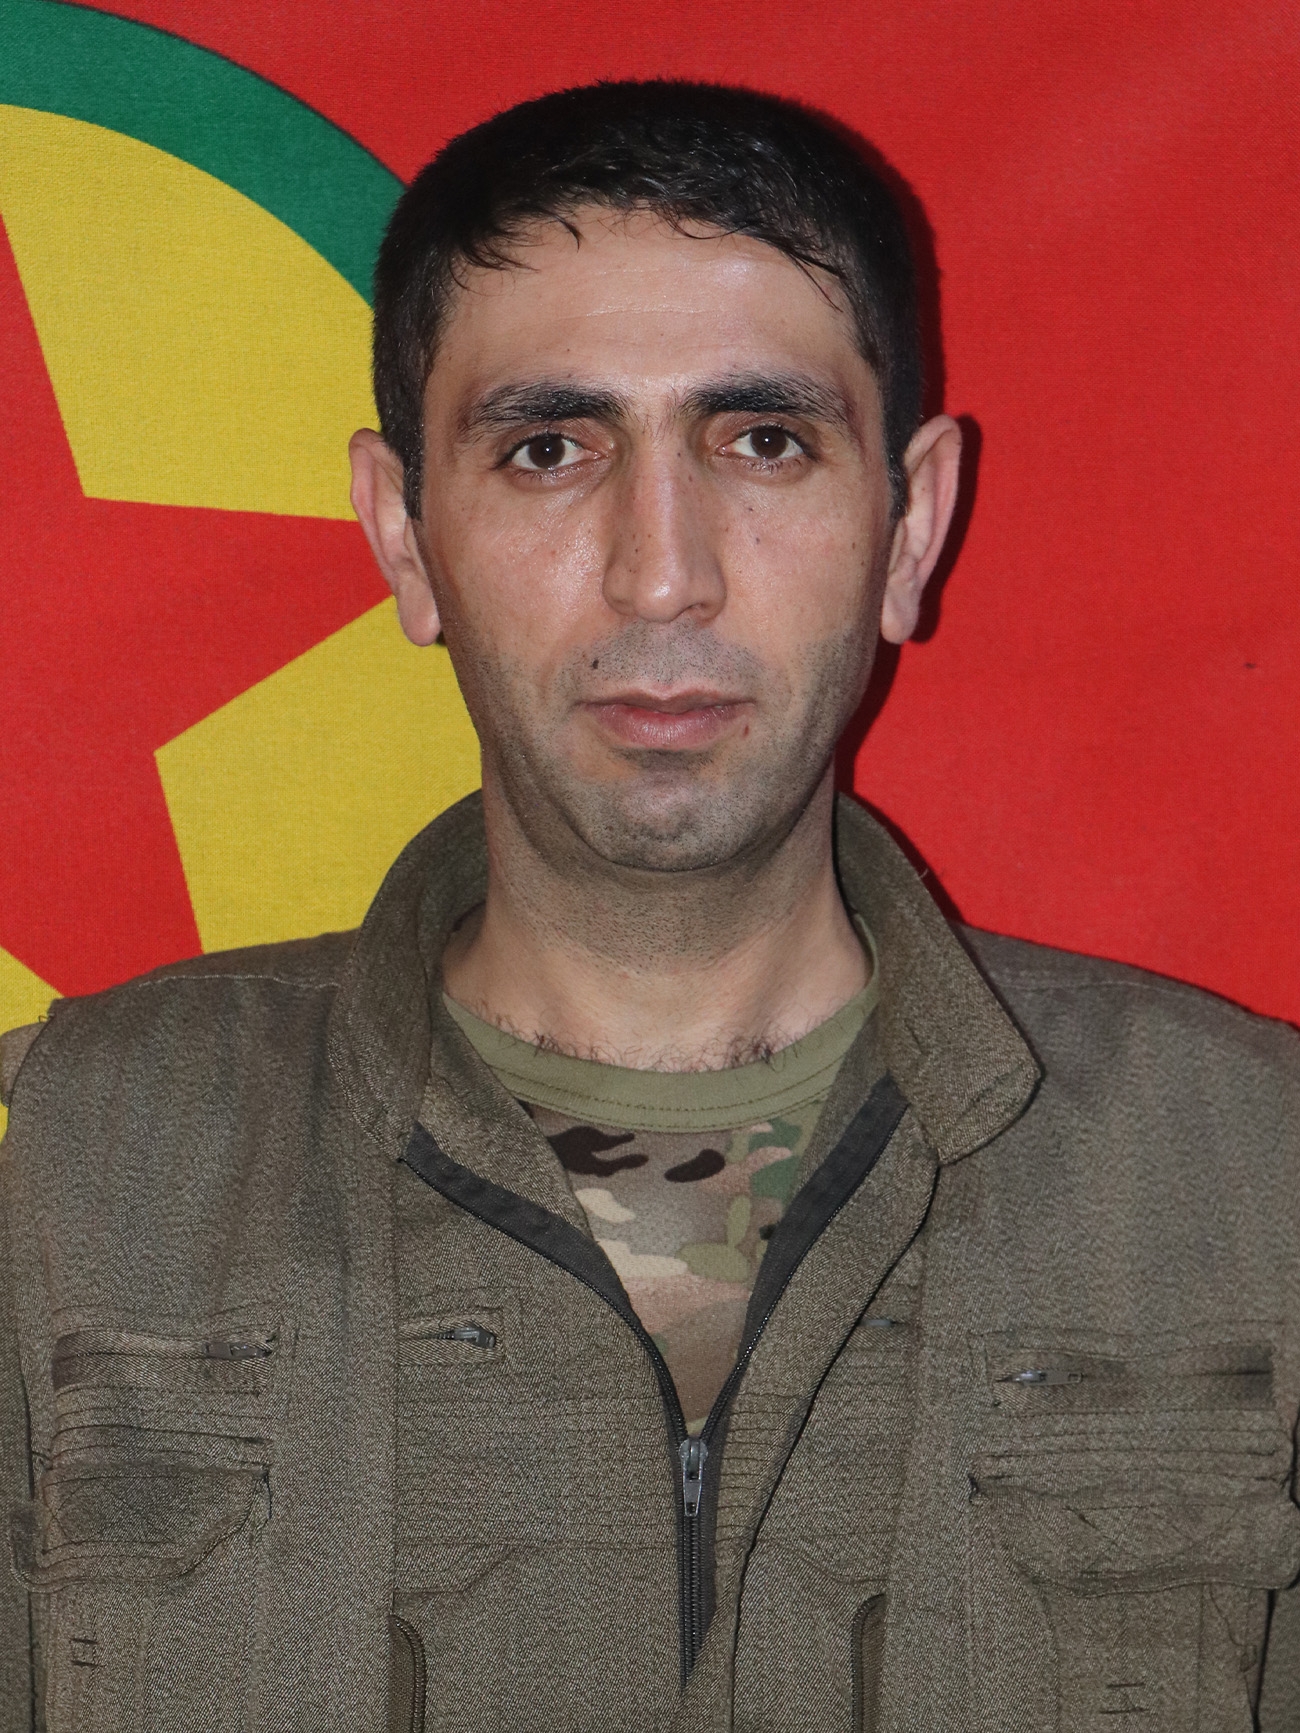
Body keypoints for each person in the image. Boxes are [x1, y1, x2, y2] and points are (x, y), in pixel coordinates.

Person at [1, 79, 1296, 1733]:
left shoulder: (1250, 1180)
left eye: (764, 441)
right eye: (550, 450)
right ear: (406, 535)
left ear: (911, 526)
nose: (662, 569)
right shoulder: (85, 1177)